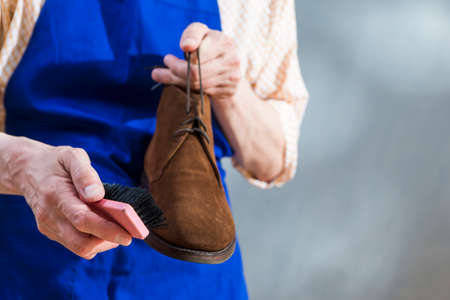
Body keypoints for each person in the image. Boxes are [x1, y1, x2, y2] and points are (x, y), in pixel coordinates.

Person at [0, 0, 309, 299]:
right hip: (32, 263)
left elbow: (270, 160)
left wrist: (228, 86)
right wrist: (22, 167)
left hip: (192, 273)